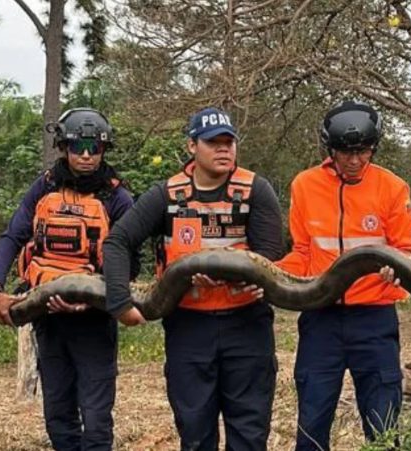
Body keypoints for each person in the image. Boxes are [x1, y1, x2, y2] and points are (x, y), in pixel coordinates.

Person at [102, 107, 283, 450]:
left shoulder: (256, 189)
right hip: (188, 327)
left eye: (229, 142)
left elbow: (270, 254)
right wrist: (120, 303)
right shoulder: (166, 194)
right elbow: (118, 242)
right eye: (213, 142)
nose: (223, 149)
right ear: (191, 146)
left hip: (247, 325)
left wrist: (237, 274)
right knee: (195, 432)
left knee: (250, 433)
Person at [0, 108, 139, 450]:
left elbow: (129, 265)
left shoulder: (118, 198)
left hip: (94, 322)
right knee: (57, 416)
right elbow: (12, 236)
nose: (86, 155)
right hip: (47, 317)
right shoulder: (44, 187)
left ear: (104, 149)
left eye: (94, 148)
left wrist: (92, 301)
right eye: (78, 147)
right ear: (64, 147)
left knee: (96, 421)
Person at [277, 100, 411, 450]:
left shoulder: (393, 187)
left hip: (375, 320)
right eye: (346, 152)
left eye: (363, 151)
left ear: (374, 147)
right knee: (312, 422)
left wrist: (397, 267)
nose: (355, 160)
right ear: (331, 150)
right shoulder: (304, 185)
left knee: (383, 427)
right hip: (320, 318)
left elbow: (406, 251)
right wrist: (270, 275)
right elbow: (302, 252)